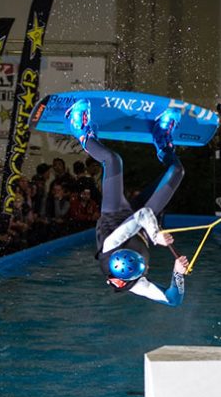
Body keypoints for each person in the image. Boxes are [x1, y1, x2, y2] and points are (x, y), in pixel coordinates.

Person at [67, 98, 189, 306]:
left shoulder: (110, 246)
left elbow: (142, 217)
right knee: (177, 171)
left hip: (115, 217)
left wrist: (156, 236)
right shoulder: (137, 283)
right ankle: (162, 137)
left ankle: (79, 128)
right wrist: (178, 274)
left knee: (113, 161)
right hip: (141, 223)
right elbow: (173, 300)